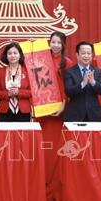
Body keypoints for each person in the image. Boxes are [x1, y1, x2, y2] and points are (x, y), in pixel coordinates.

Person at [40, 31, 74, 181]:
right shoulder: (41, 60)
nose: (55, 45)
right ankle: (43, 177)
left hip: (61, 106)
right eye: (53, 42)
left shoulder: (67, 63)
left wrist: (63, 106)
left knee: (57, 145)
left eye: (59, 43)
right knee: (44, 145)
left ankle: (56, 179)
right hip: (43, 107)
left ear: (63, 45)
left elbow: (68, 88)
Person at [63, 41, 101, 122]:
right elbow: (68, 92)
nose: (86, 56)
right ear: (77, 55)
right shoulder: (70, 72)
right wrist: (83, 83)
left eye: (89, 53)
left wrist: (93, 82)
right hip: (75, 116)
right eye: (83, 53)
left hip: (94, 115)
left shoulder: (97, 71)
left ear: (92, 55)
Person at [0, 42, 32, 122]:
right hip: (4, 111)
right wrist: (8, 94)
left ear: (20, 55)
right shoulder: (0, 71)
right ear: (6, 56)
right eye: (9, 53)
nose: (12, 56)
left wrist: (19, 92)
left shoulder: (27, 71)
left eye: (15, 53)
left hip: (23, 111)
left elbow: (32, 91)